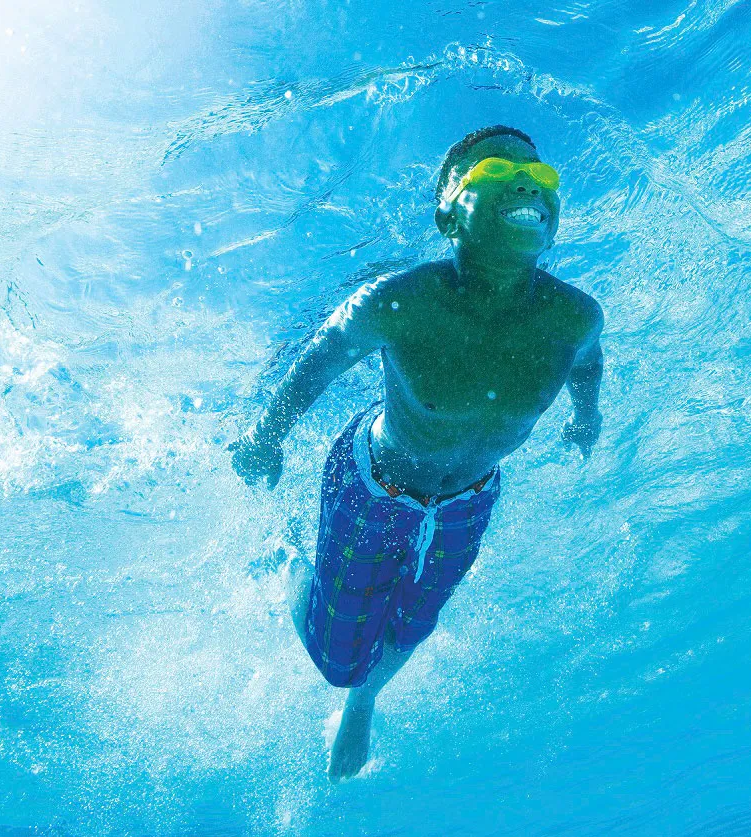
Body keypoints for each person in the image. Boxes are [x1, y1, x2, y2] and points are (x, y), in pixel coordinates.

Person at [229, 125, 604, 780]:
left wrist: (586, 417)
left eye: (541, 177)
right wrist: (265, 438)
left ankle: (363, 704)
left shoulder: (574, 316)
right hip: (376, 480)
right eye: (494, 170)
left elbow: (587, 366)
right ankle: (290, 558)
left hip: (472, 497)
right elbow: (315, 362)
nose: (526, 184)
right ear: (447, 213)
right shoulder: (399, 301)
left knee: (412, 623)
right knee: (336, 658)